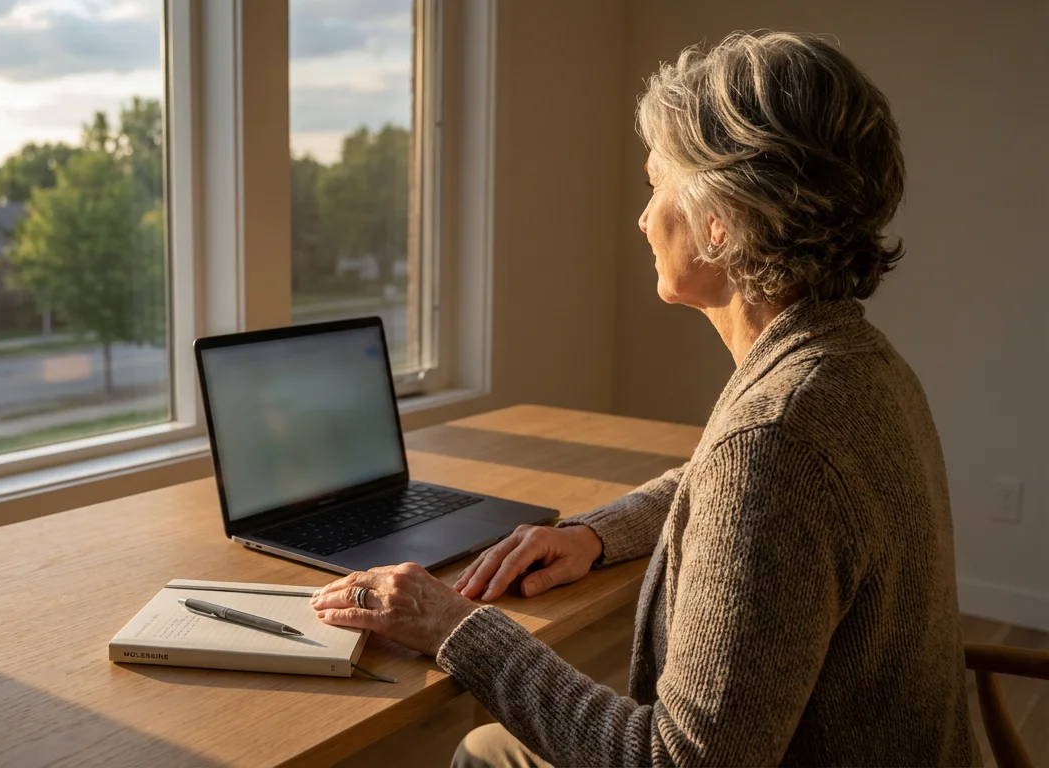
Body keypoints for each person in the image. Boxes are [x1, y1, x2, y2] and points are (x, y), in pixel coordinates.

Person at [309, 31, 977, 766]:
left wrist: (453, 626)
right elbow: (726, 492)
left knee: (483, 754)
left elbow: (674, 760)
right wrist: (595, 535)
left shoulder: (776, 437)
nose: (641, 216)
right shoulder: (850, 363)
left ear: (721, 220)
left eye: (657, 182)